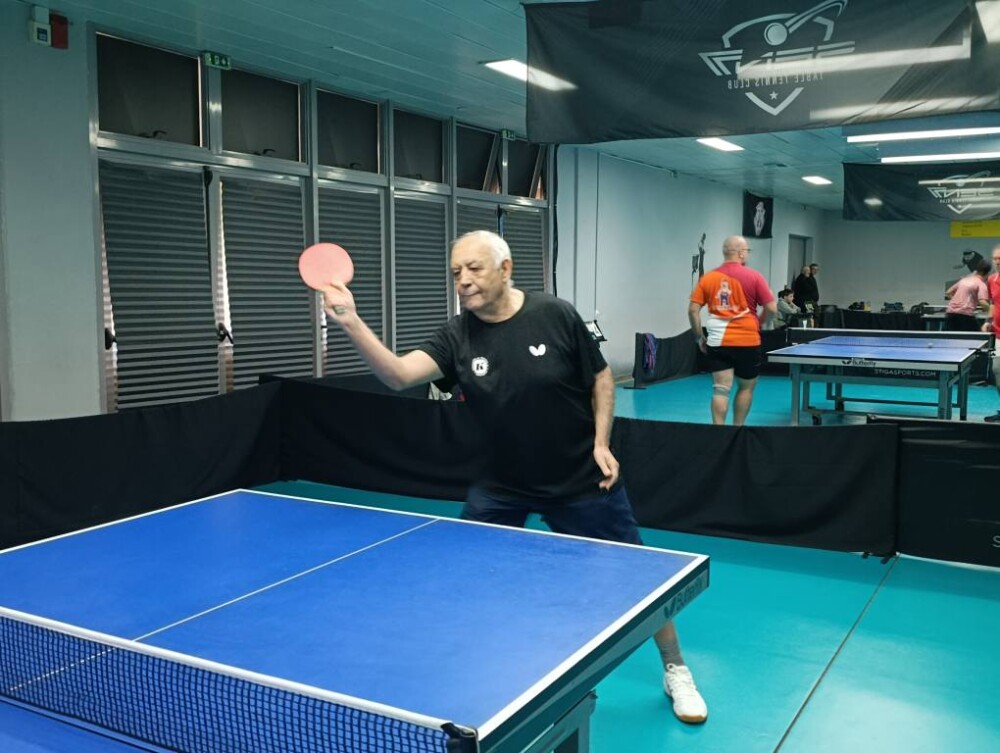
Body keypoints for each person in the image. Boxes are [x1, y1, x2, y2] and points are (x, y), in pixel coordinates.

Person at [320, 230, 708, 723]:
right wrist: (351, 321)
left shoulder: (556, 314)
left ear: (506, 269)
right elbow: (397, 375)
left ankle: (675, 667)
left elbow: (600, 377)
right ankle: (481, 677)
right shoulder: (455, 335)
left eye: (474, 268)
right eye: (456, 272)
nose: (463, 280)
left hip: (578, 478)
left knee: (638, 577)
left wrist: (601, 442)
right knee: (472, 580)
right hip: (500, 485)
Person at [688, 236, 778, 425]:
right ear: (741, 253)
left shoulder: (708, 278)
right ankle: (737, 429)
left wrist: (699, 338)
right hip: (747, 341)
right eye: (747, 250)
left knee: (721, 389)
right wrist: (759, 323)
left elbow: (693, 310)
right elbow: (771, 309)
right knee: (746, 387)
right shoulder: (754, 276)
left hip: (718, 341)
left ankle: (719, 432)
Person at [944, 260, 990, 331]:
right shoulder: (981, 284)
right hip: (965, 316)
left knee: (950, 336)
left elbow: (948, 293)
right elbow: (982, 302)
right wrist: (993, 311)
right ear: (987, 274)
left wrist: (958, 303)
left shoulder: (964, 280)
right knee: (977, 336)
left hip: (950, 314)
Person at [983, 244, 1000, 423]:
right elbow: (993, 304)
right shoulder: (992, 280)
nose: (997, 262)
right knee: (997, 371)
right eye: (995, 258)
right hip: (998, 335)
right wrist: (988, 321)